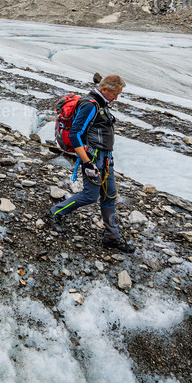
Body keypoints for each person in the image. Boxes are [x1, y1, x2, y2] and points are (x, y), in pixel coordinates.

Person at [49, 74, 133, 253]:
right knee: (90, 195)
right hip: (93, 158)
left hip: (105, 157)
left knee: (109, 195)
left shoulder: (101, 103)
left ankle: (112, 237)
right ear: (104, 89)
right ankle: (55, 212)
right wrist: (87, 163)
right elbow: (75, 134)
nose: (116, 98)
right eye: (115, 94)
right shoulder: (90, 105)